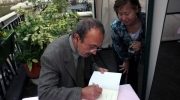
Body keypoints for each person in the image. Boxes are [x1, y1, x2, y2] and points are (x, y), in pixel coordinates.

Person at [38, 18, 108, 100]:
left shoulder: (86, 46)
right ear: (77, 38)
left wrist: (97, 69)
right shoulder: (52, 56)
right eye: (92, 47)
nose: (94, 52)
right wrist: (81, 93)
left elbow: (90, 62)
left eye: (97, 47)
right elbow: (45, 93)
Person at [110, 0, 146, 93]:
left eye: (127, 13)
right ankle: (117, 94)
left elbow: (151, 37)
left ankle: (132, 94)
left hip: (135, 51)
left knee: (133, 72)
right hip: (120, 50)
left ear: (136, 9)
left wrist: (141, 43)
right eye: (120, 14)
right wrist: (125, 60)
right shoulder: (115, 26)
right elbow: (118, 45)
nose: (123, 17)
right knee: (121, 71)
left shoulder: (146, 20)